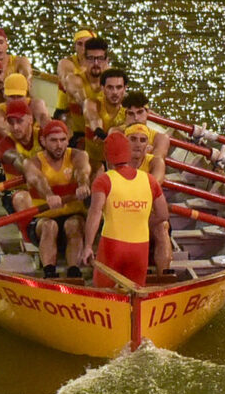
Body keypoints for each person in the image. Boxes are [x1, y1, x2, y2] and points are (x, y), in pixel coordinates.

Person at [82, 130, 170, 288]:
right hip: (140, 248)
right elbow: (163, 214)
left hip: (112, 247)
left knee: (104, 294)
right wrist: (141, 221)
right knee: (134, 297)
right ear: (128, 154)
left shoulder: (103, 180)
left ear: (107, 156)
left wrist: (88, 246)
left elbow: (94, 214)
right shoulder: (149, 180)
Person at [15, 119, 91, 279]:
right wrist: (49, 195)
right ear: (43, 141)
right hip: (43, 220)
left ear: (68, 140)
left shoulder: (79, 155)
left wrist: (83, 184)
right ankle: (49, 273)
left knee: (74, 224)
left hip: (72, 217)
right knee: (50, 226)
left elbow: (82, 171)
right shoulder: (32, 162)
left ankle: (74, 273)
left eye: (63, 140)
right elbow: (38, 180)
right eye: (53, 140)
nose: (59, 145)